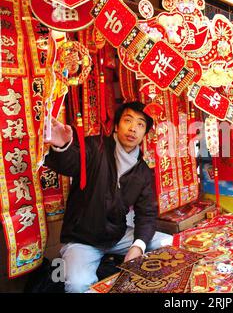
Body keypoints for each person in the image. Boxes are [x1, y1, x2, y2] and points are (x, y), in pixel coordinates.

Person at [44, 101, 171, 293]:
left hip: (117, 236)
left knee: (167, 244)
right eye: (127, 120)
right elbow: (69, 164)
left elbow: (147, 213)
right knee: (78, 285)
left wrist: (138, 246)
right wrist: (62, 146)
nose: (132, 129)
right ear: (117, 125)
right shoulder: (96, 147)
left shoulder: (142, 171)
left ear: (145, 134)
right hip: (82, 238)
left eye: (140, 124)